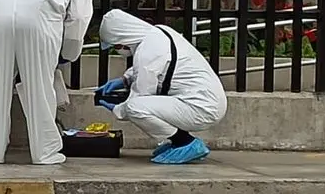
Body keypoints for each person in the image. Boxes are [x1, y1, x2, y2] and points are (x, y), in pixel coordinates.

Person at [0, 0, 93, 165]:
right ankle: (45, 152)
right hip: (39, 20)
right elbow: (79, 16)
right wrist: (68, 53)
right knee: (39, 87)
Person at [96, 9, 228, 164]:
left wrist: (118, 109)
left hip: (201, 107)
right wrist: (125, 79)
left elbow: (142, 94)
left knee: (134, 108)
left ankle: (185, 142)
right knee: (141, 105)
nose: (118, 49)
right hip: (206, 101)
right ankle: (178, 142)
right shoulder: (159, 33)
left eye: (116, 45)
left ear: (123, 39)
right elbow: (156, 64)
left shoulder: (147, 52)